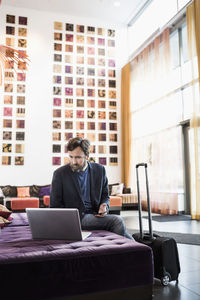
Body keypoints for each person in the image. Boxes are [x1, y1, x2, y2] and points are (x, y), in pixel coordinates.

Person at [50, 137, 134, 240]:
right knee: (117, 221)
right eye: (71, 157)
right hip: (76, 219)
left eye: (78, 157)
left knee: (123, 231)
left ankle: (140, 250)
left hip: (95, 215)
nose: (73, 161)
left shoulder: (100, 170)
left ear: (87, 156)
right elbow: (54, 205)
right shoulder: (60, 174)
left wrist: (104, 205)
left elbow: (105, 195)